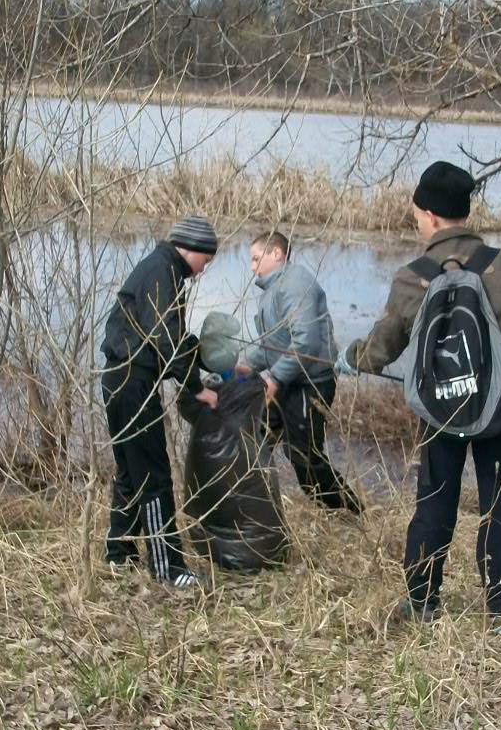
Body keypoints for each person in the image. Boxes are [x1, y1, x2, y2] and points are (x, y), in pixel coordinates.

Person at [335, 162, 501, 635]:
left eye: (417, 213)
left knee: (434, 500)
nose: (416, 221)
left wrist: (352, 359)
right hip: (497, 408)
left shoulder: (413, 276)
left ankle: (421, 601)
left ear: (433, 216)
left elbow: (384, 344)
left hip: (439, 411)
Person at [100, 215, 220, 587]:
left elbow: (171, 337)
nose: (205, 269)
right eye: (207, 260)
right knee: (154, 478)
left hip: (118, 379)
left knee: (129, 472)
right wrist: (194, 388)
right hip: (134, 384)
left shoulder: (160, 268)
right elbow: (166, 336)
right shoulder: (162, 272)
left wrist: (205, 357)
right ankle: (168, 569)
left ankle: (117, 553)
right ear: (191, 249)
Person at [242, 231, 365, 515]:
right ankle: (254, 509)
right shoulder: (273, 291)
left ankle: (349, 512)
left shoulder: (294, 283)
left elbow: (305, 342)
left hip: (311, 383)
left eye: (256, 258)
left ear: (277, 253)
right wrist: (241, 366)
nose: (252, 267)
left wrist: (273, 378)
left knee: (304, 457)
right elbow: (273, 347)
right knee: (257, 438)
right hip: (289, 380)